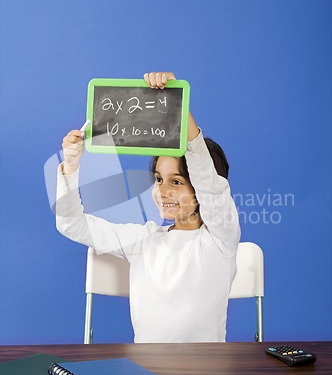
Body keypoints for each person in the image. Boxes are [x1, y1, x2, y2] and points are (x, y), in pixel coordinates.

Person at [56, 71, 240, 343]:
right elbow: (72, 224)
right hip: (146, 372)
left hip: (206, 370)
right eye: (158, 179)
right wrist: (71, 166)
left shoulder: (220, 239)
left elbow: (209, 182)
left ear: (199, 187)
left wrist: (177, 103)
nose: (163, 191)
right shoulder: (144, 240)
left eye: (176, 182)